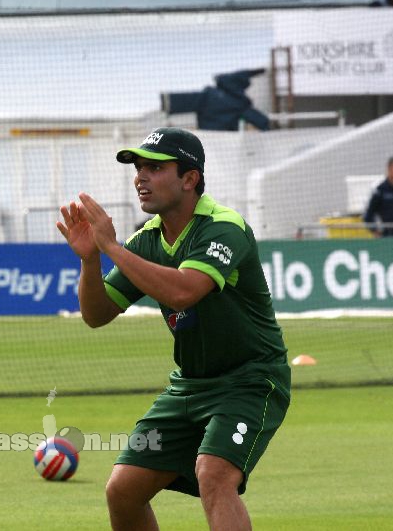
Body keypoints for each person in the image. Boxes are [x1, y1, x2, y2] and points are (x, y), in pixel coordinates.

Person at [56, 127, 290, 531]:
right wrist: (91, 260)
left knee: (214, 475)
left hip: (251, 382)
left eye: (155, 167)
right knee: (122, 491)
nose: (140, 177)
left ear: (189, 178)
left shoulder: (223, 227)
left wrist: (111, 247)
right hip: (189, 387)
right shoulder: (146, 241)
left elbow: (184, 292)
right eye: (139, 167)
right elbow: (96, 314)